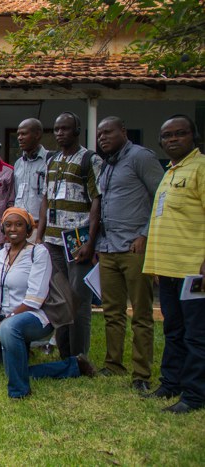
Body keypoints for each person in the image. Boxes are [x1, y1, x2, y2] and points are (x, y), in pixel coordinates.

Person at [0, 207, 97, 399]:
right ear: (3, 229)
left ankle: (19, 392)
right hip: (7, 321)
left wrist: (6, 320)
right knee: (13, 370)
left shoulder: (38, 253)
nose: (13, 229)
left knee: (9, 329)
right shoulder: (0, 255)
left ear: (29, 230)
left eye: (19, 224)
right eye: (8, 225)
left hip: (36, 318)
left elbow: (35, 299)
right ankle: (73, 365)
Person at [95, 116, 164, 393]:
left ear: (123, 131)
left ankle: (141, 373)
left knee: (142, 314)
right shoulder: (107, 165)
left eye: (108, 132)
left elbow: (161, 196)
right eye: (99, 135)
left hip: (134, 247)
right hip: (108, 247)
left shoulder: (140, 157)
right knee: (112, 312)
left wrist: (145, 234)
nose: (102, 138)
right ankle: (113, 363)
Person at [142, 115, 205, 414]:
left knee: (196, 334)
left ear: (193, 136)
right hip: (167, 269)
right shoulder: (169, 172)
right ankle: (171, 382)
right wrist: (155, 265)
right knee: (174, 329)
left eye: (180, 134)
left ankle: (194, 394)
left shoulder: (201, 168)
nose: (172, 140)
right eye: (167, 136)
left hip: (194, 270)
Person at [37, 111, 103, 358]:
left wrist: (91, 241)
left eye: (65, 129)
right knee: (59, 297)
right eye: (56, 129)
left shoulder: (90, 159)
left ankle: (79, 355)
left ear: (77, 130)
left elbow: (97, 201)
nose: (60, 133)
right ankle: (64, 351)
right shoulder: (52, 160)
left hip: (77, 239)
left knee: (78, 299)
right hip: (52, 240)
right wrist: (40, 235)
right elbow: (45, 198)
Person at [13, 118, 48, 224]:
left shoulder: (50, 161)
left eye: (23, 134)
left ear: (37, 135)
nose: (19, 138)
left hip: (40, 225)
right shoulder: (18, 163)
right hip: (20, 226)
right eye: (18, 134)